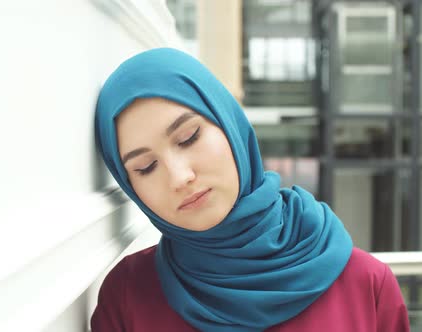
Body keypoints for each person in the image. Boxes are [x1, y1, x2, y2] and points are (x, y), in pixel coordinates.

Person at [90, 48, 409, 331]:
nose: (179, 177)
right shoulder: (127, 297)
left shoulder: (366, 285)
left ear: (230, 125)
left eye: (188, 138)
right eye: (145, 167)